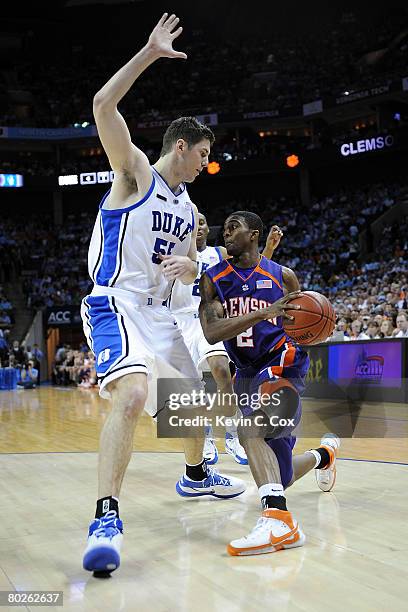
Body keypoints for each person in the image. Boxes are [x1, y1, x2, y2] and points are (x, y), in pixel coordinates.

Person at [80, 13, 245, 575]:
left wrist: (189, 262)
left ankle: (195, 476)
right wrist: (150, 53)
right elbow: (104, 105)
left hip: (160, 314)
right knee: (131, 395)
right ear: (181, 145)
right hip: (116, 301)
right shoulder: (138, 174)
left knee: (191, 404)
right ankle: (106, 515)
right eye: (202, 155)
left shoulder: (189, 209)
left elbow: (190, 267)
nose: (206, 164)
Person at [199, 211, 340, 556]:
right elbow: (211, 331)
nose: (226, 232)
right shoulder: (213, 278)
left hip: (282, 363)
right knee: (282, 475)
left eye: (234, 227)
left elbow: (304, 323)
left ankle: (279, 521)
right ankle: (325, 455)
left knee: (250, 430)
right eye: (226, 226)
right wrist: (263, 312)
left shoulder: (284, 276)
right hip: (245, 372)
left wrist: (312, 332)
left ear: (254, 234)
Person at [171, 212, 283, 465]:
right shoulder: (173, 251)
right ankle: (207, 436)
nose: (198, 227)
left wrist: (268, 250)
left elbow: (251, 270)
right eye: (193, 222)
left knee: (222, 371)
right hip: (177, 321)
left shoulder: (220, 253)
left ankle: (232, 433)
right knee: (190, 389)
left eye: (202, 222)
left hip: (209, 320)